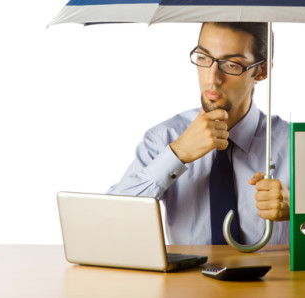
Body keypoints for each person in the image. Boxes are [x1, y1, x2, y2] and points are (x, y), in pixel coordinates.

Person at [107, 22, 290, 245]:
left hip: (271, 279)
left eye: (232, 64)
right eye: (204, 58)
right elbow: (110, 221)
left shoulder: (295, 147)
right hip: (184, 280)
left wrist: (300, 210)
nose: (213, 78)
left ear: (261, 71)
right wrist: (177, 154)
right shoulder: (163, 138)